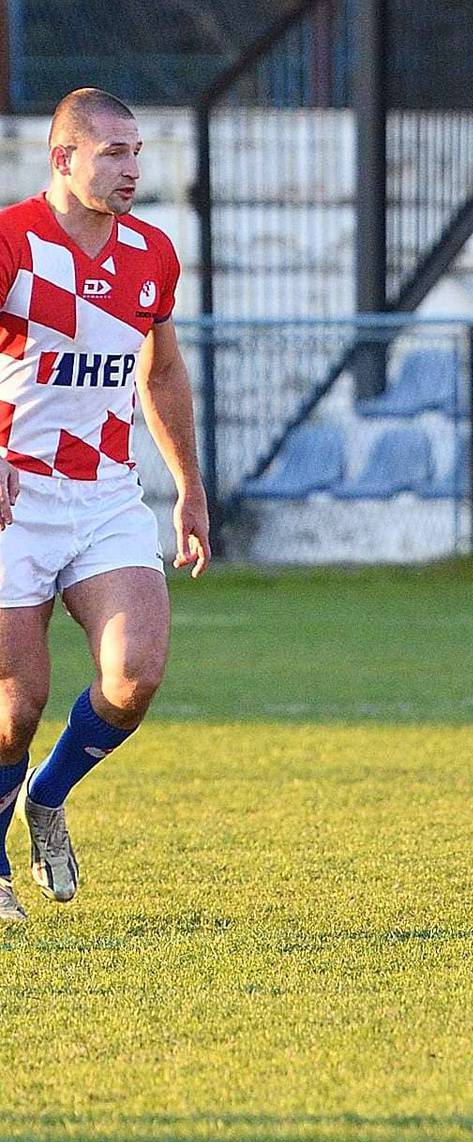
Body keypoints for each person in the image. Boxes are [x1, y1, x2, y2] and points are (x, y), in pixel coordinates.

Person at [0, 88, 208, 923]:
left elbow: (159, 371)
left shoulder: (153, 253)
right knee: (14, 707)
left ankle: (46, 800)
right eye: (113, 153)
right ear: (63, 159)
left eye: (137, 152)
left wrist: (189, 484)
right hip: (14, 494)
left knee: (134, 677)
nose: (131, 169)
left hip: (105, 494)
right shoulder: (11, 243)